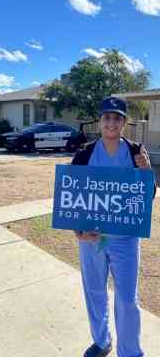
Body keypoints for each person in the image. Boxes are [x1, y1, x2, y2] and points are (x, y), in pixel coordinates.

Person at [71, 97, 153, 357]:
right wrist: (78, 231)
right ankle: (101, 340)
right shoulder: (84, 153)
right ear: (100, 121)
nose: (111, 122)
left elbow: (146, 196)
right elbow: (72, 197)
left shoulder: (135, 152)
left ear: (124, 123)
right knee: (94, 291)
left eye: (117, 118)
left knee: (127, 298)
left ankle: (130, 352)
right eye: (107, 117)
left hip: (125, 239)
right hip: (93, 238)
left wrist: (147, 171)